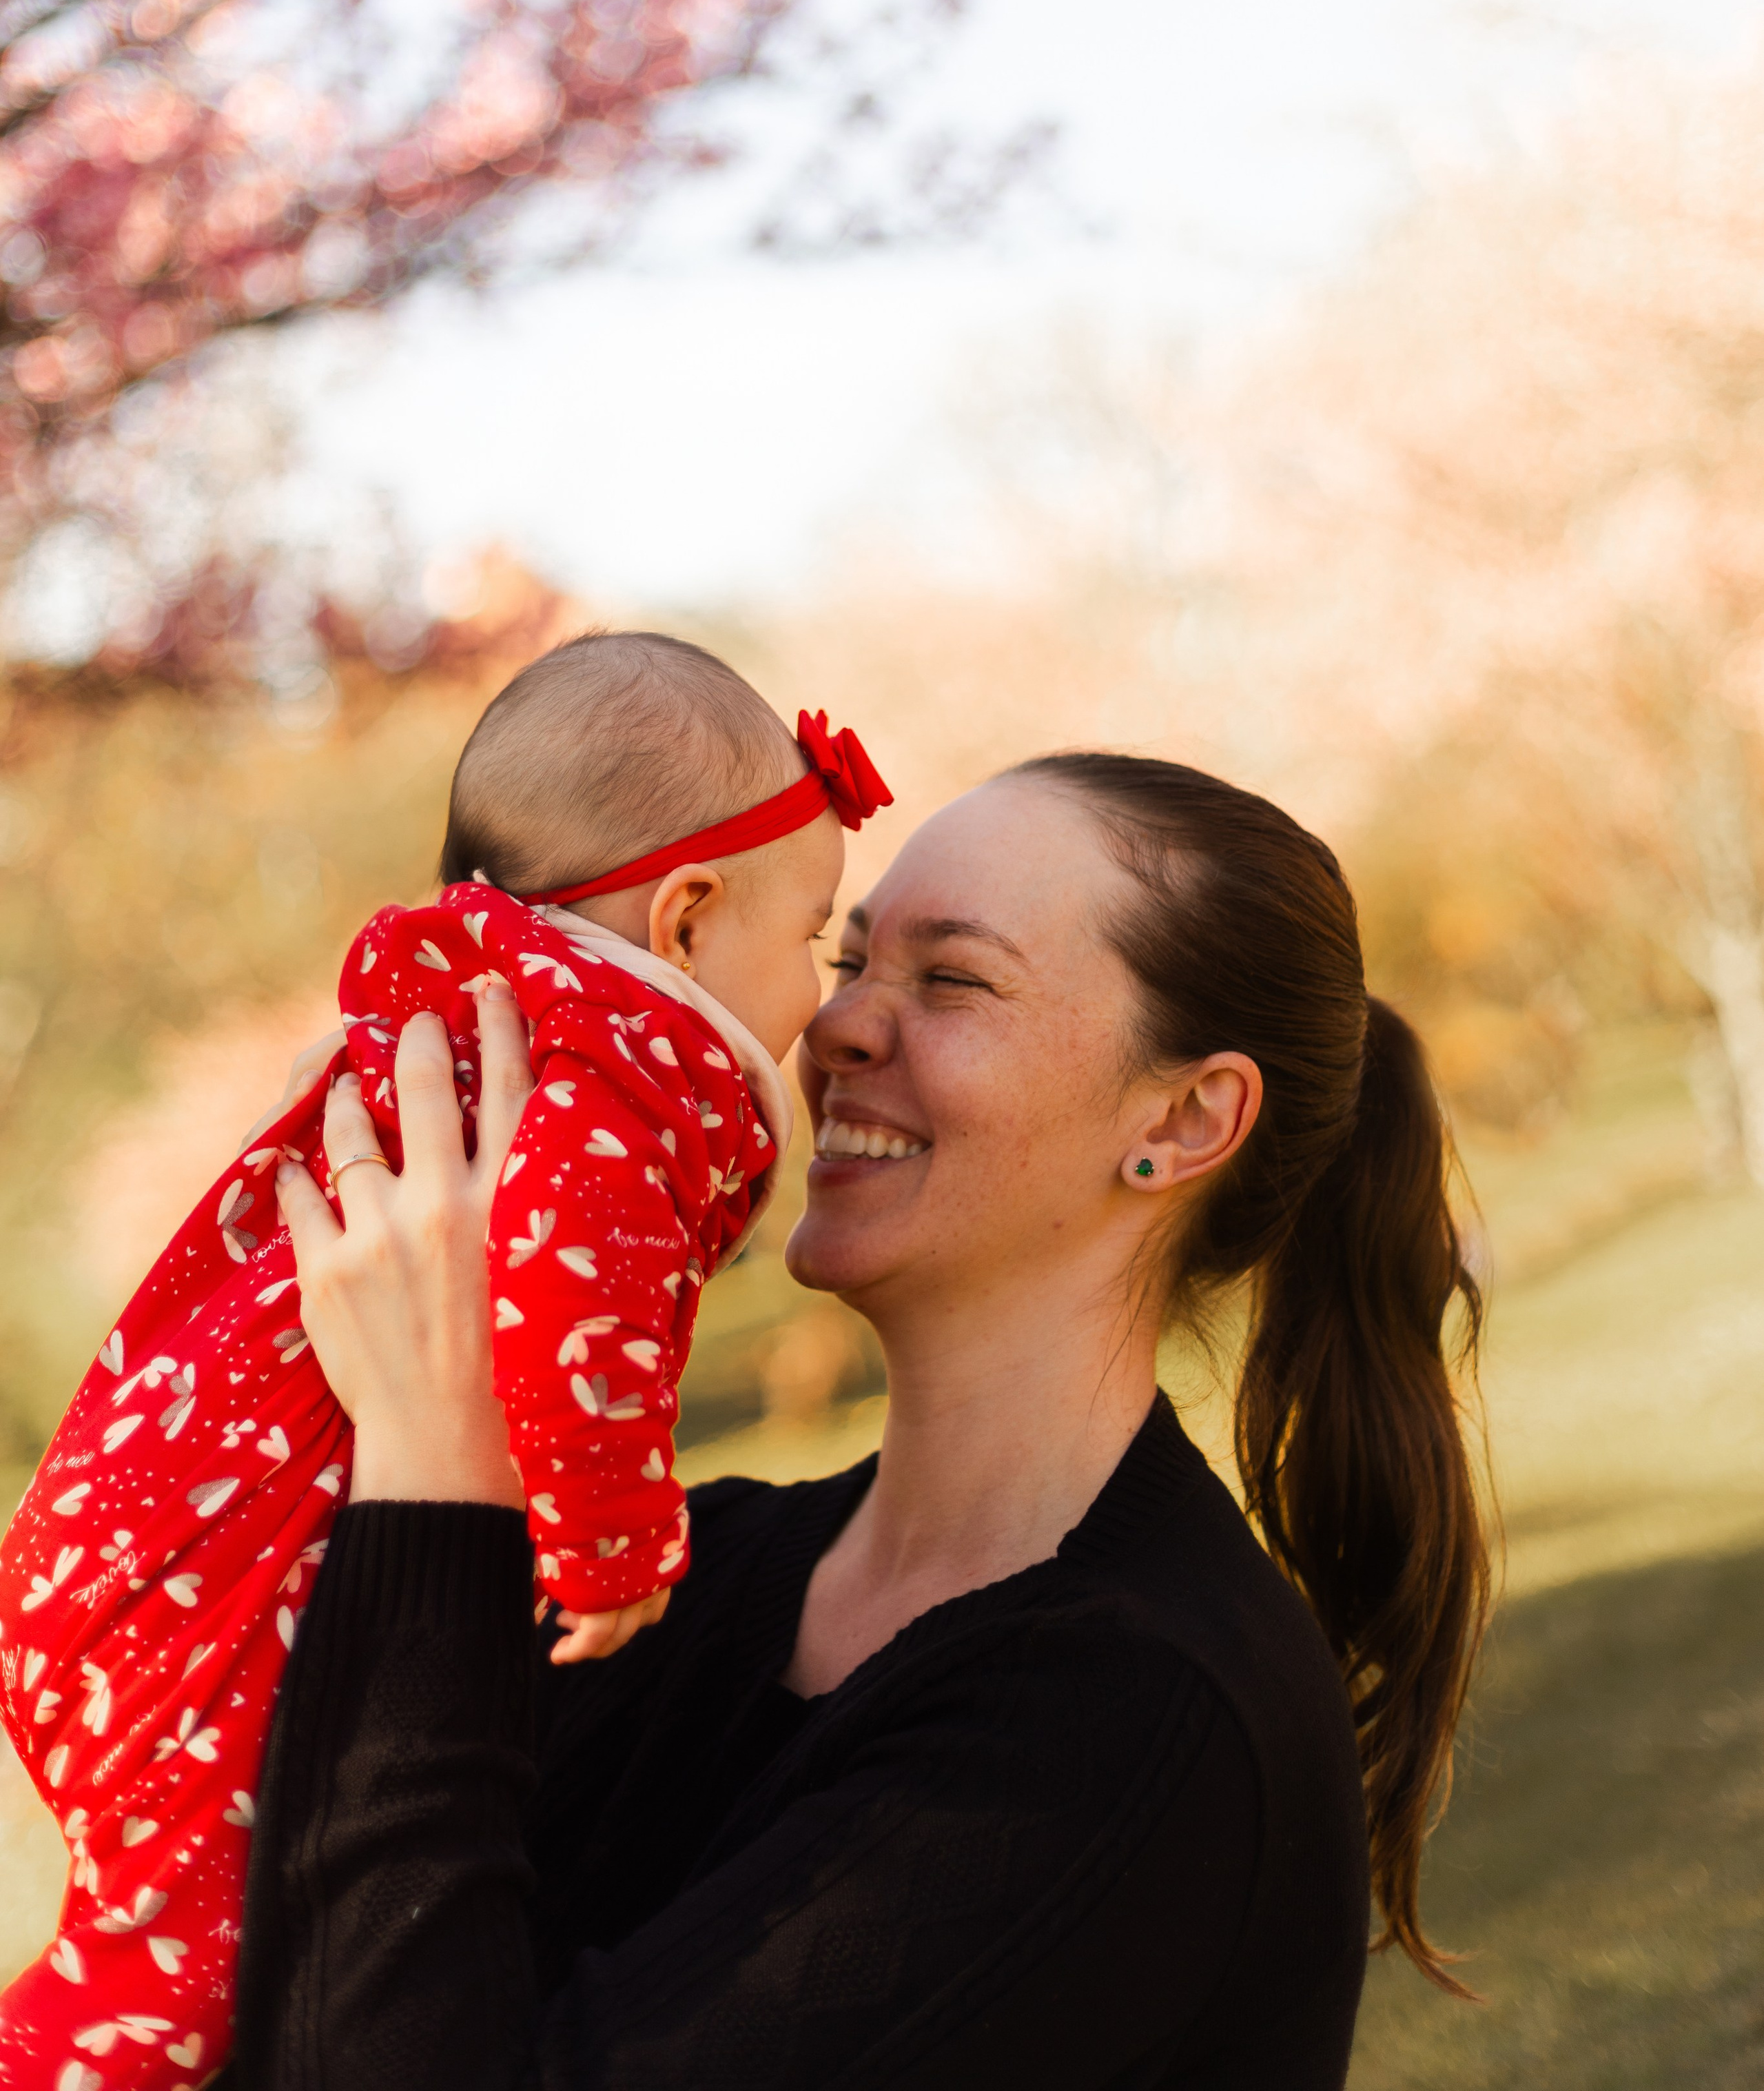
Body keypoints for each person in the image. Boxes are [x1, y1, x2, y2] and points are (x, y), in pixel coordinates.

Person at [225, 748, 1489, 2091]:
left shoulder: (1134, 1718)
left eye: (949, 978)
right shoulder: (674, 1583)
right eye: (846, 964)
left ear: (1182, 1121)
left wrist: (434, 1477)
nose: (831, 1031)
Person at [0, 634, 890, 2090]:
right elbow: (568, 1295)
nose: (824, 1004)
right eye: (813, 936)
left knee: (207, 1931)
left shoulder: (493, 1023)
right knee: (173, 1981)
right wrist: (614, 1540)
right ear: (684, 919)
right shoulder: (621, 1071)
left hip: (142, 1541)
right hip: (215, 1581)